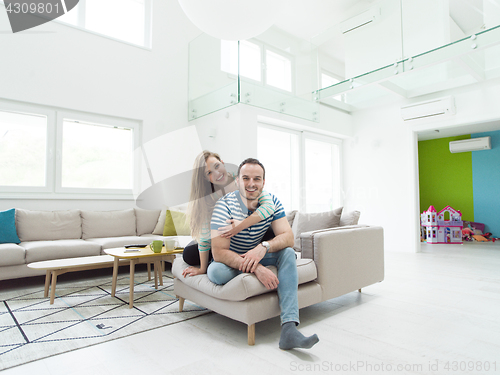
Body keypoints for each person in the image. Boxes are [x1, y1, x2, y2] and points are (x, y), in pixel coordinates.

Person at [208, 158, 319, 350]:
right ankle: (252, 267)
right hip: (229, 258)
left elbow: (288, 237)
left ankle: (289, 328)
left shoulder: (272, 202)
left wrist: (264, 247)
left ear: (263, 182)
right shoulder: (223, 206)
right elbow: (219, 253)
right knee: (217, 273)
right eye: (246, 178)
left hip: (258, 251)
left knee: (287, 253)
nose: (251, 184)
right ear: (237, 181)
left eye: (257, 179)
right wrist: (257, 268)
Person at [181, 151, 276, 277]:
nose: (217, 173)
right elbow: (204, 235)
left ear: (222, 163)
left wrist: (241, 225)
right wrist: (202, 268)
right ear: (205, 178)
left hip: (250, 233)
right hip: (223, 239)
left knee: (271, 231)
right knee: (188, 253)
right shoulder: (208, 198)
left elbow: (269, 207)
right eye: (209, 173)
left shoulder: (242, 180)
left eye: (217, 166)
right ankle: (225, 259)